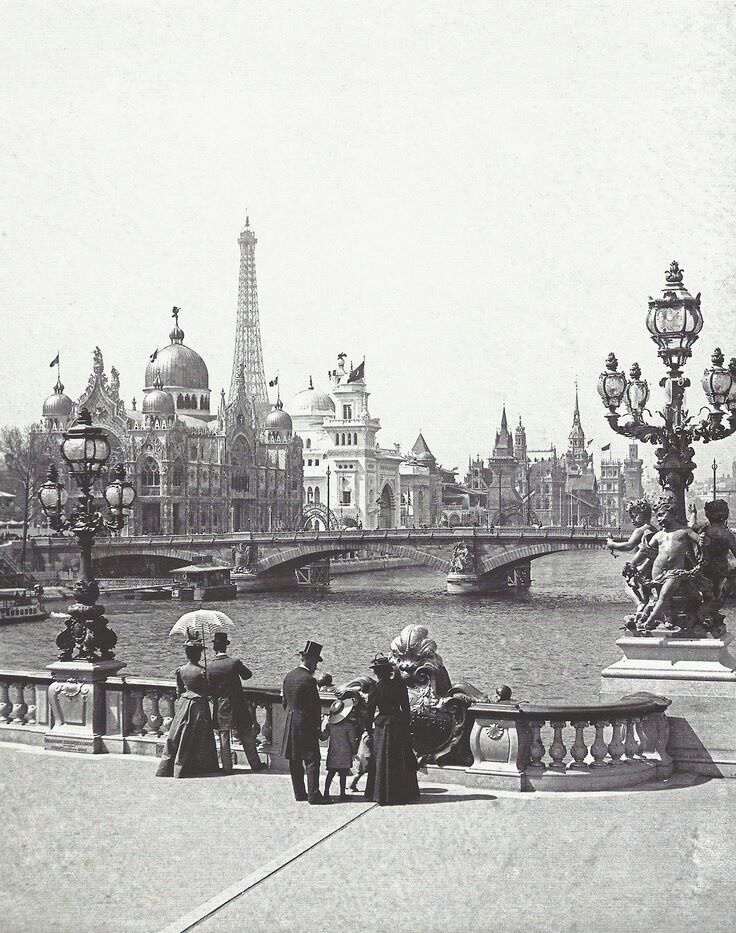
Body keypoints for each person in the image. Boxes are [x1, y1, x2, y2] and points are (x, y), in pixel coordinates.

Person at [156, 634, 219, 778]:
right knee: (201, 736)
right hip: (199, 705)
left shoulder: (181, 670)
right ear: (198, 654)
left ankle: (171, 767)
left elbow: (179, 691)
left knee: (178, 734)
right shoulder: (203, 671)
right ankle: (201, 766)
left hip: (184, 703)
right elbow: (208, 691)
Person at [364, 654, 420, 806]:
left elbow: (369, 712)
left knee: (381, 760)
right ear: (389, 671)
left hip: (383, 726)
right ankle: (403, 793)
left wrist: (368, 729)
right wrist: (406, 724)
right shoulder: (400, 685)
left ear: (377, 672)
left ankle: (380, 793)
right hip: (398, 724)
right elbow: (406, 709)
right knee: (400, 759)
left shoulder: (375, 688)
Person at [208, 631, 267, 774]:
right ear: (226, 646)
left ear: (214, 648)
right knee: (246, 734)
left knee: (224, 736)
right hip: (238, 704)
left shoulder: (209, 666)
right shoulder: (234, 663)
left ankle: (227, 767)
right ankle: (255, 764)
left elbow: (209, 690)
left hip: (221, 706)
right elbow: (248, 675)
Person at [281, 640, 327, 804]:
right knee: (312, 759)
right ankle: (314, 795)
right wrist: (318, 728)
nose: (316, 666)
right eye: (316, 662)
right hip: (305, 724)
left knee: (295, 759)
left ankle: (299, 793)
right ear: (312, 660)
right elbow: (315, 707)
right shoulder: (309, 680)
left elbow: (284, 702)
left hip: (291, 722)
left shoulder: (289, 676)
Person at [321, 697, 360, 801]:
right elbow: (353, 741)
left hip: (333, 754)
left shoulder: (330, 725)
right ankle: (342, 794)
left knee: (330, 774)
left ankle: (326, 793)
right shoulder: (349, 726)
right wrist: (354, 752)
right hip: (344, 754)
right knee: (343, 775)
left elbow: (323, 737)